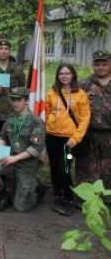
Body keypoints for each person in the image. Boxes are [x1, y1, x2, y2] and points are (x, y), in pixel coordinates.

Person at [0, 87, 46, 212]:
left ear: (27, 101)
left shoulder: (36, 121)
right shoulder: (10, 118)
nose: (15, 103)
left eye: (19, 100)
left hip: (26, 163)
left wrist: (15, 158)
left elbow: (36, 148)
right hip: (10, 158)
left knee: (21, 207)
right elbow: (3, 137)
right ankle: (4, 194)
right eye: (13, 99)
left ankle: (37, 187)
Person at [45, 63, 91, 216]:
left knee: (64, 168)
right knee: (53, 167)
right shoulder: (52, 92)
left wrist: (75, 138)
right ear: (58, 76)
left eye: (67, 73)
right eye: (61, 74)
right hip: (52, 137)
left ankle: (69, 198)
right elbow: (48, 110)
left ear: (73, 75)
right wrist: (49, 124)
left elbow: (85, 119)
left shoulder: (80, 94)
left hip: (69, 140)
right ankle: (58, 195)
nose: (64, 76)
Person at [77, 50, 111, 198]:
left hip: (109, 134)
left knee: (108, 167)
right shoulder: (84, 84)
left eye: (104, 64)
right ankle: (87, 197)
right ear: (93, 65)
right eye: (97, 64)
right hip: (88, 134)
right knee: (86, 167)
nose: (101, 67)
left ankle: (107, 196)